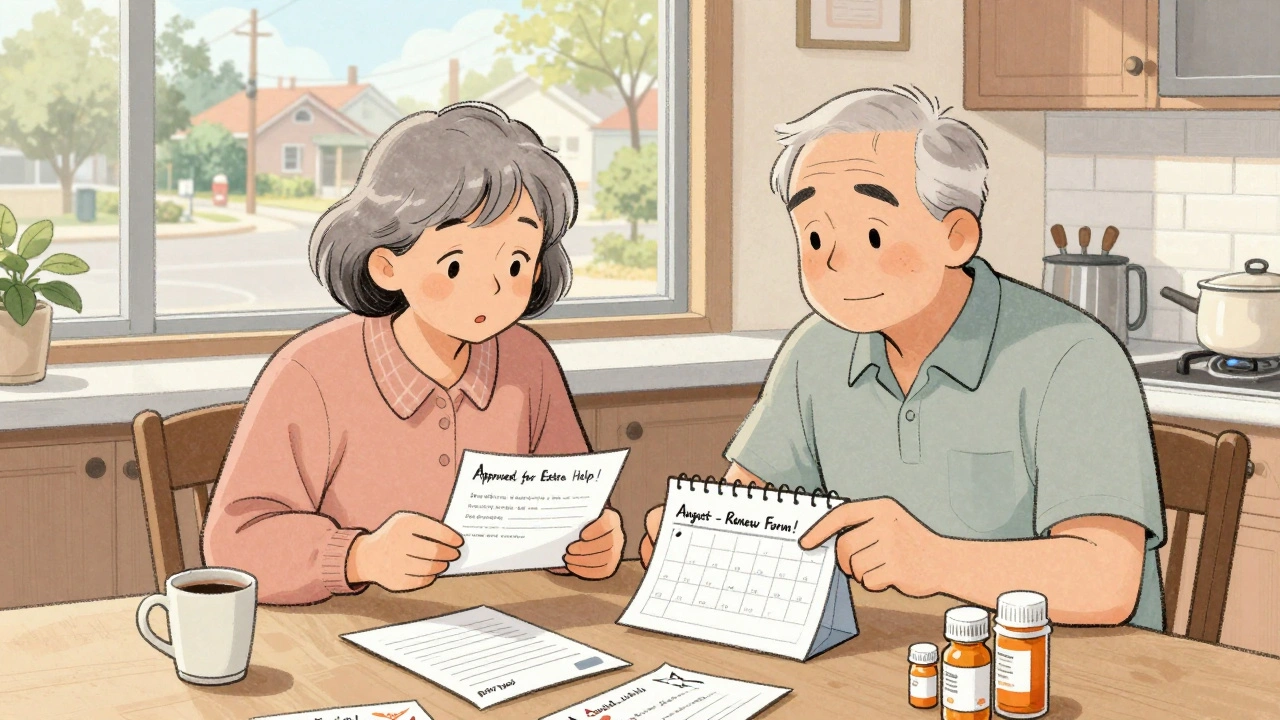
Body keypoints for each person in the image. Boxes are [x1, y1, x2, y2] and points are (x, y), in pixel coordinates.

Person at [639, 86, 1166, 630]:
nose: (835, 261)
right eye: (815, 237)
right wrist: (701, 535)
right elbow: (751, 503)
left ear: (956, 236)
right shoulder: (815, 349)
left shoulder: (1073, 357)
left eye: (872, 234)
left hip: (1061, 664)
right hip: (880, 652)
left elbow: (1106, 580)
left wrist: (933, 559)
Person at [204, 102, 623, 605]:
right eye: (454, 266)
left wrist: (587, 542)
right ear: (386, 265)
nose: (491, 288)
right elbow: (234, 544)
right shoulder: (312, 372)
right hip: (350, 630)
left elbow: (565, 504)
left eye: (515, 263)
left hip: (501, 622)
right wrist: (360, 557)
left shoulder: (528, 361)